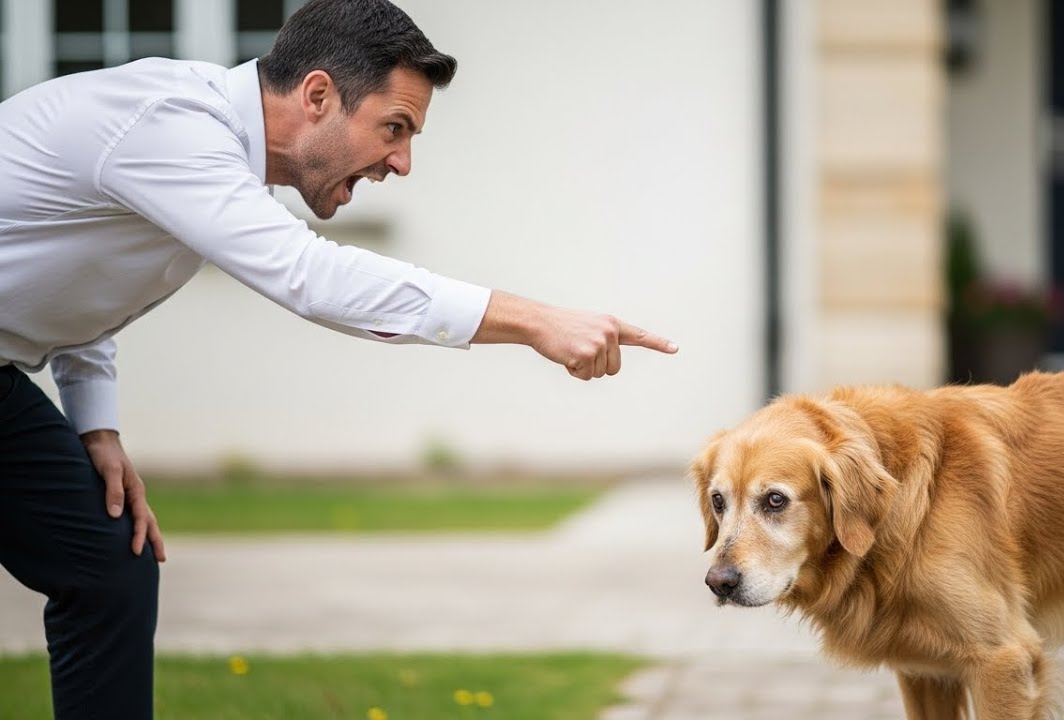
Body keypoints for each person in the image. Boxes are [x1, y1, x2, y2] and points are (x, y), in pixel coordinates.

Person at [0, 0, 677, 717]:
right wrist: (537, 321)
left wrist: (96, 426)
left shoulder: (209, 156)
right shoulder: (171, 128)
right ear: (318, 95)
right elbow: (313, 278)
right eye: (395, 128)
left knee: (106, 566)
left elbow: (83, 279)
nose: (402, 162)